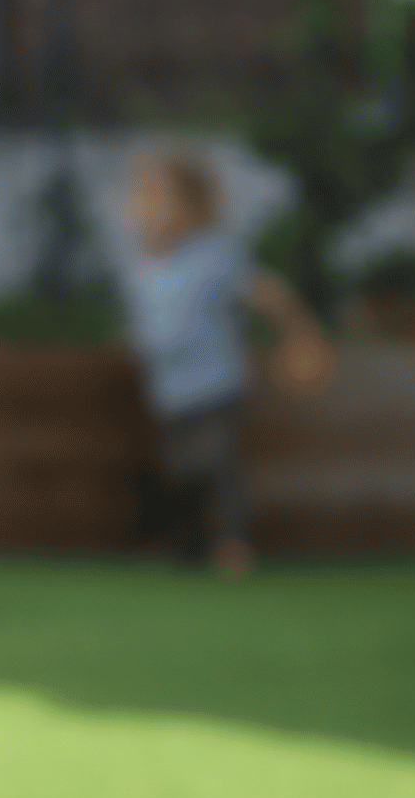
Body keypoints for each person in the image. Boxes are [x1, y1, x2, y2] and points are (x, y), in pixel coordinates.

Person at [122, 151, 332, 576]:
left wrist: (298, 329)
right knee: (180, 471)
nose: (153, 209)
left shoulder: (214, 255)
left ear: (194, 205)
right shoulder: (140, 265)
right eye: (145, 199)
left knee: (217, 464)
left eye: (165, 199)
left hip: (216, 384)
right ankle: (188, 545)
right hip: (167, 391)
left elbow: (265, 293)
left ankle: (232, 544)